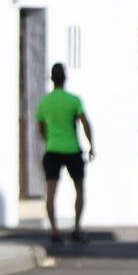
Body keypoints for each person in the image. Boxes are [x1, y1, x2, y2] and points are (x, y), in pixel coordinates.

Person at [36, 62, 94, 245]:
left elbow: (40, 126)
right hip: (72, 149)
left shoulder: (45, 102)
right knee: (79, 189)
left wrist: (48, 140)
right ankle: (76, 228)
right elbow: (85, 123)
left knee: (51, 191)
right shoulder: (74, 100)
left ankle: (54, 231)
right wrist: (91, 145)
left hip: (52, 149)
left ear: (51, 79)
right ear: (65, 78)